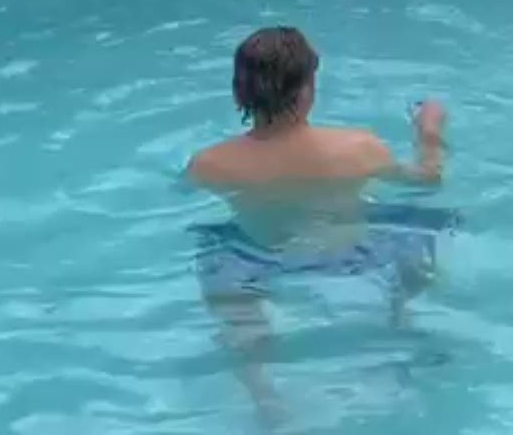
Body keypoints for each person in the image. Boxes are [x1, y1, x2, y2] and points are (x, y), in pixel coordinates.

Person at [185, 27, 447, 427]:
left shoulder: (210, 163)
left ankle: (263, 393)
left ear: (239, 94)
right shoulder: (359, 147)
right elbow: (427, 178)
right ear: (308, 91)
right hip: (355, 252)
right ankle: (400, 317)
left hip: (265, 256)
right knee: (417, 225)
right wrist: (428, 131)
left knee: (214, 252)